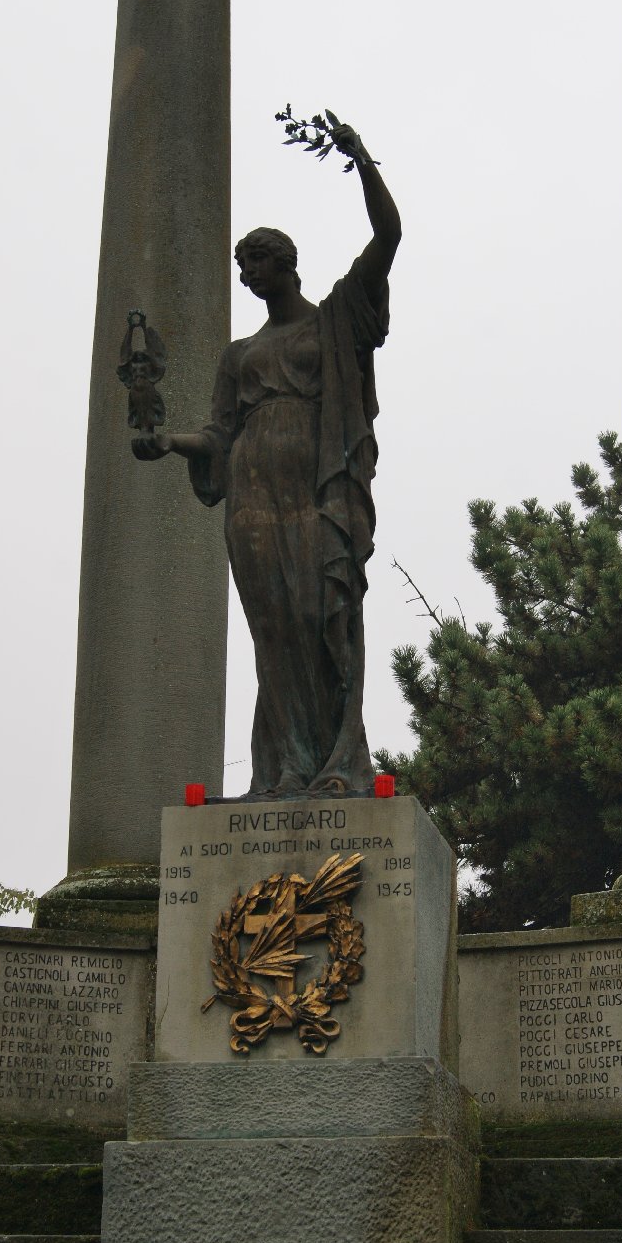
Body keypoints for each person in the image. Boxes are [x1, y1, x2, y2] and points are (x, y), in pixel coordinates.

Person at [134, 124, 401, 798]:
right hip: (251, 497)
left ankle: (338, 762)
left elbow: (389, 237)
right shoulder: (238, 355)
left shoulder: (334, 319)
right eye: (242, 266)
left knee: (323, 619)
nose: (248, 274)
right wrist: (168, 442)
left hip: (316, 491)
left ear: (288, 265)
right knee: (274, 633)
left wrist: (362, 161)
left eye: (257, 262)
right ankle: (283, 767)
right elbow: (218, 437)